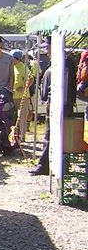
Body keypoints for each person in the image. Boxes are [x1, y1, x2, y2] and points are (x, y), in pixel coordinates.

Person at [29, 45, 77, 175]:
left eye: (48, 47)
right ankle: (51, 165)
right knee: (54, 136)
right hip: (58, 105)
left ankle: (46, 166)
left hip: (61, 106)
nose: (46, 51)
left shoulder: (64, 64)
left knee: (53, 136)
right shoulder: (61, 62)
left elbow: (65, 88)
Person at [10, 49, 33, 143]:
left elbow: (31, 79)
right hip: (13, 96)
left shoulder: (23, 67)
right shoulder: (12, 67)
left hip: (22, 96)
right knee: (14, 117)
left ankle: (22, 137)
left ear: (17, 59)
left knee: (22, 116)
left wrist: (24, 88)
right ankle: (15, 136)